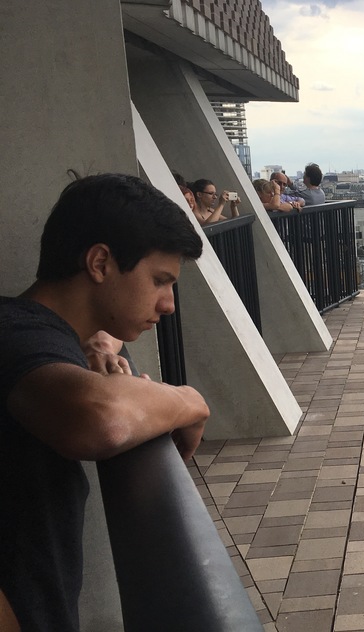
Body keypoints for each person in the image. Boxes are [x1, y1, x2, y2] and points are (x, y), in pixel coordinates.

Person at [0, 173, 211, 631]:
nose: (168, 303)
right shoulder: (16, 336)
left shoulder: (41, 335)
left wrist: (96, 344)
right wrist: (189, 400)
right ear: (99, 263)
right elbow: (104, 420)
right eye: (160, 280)